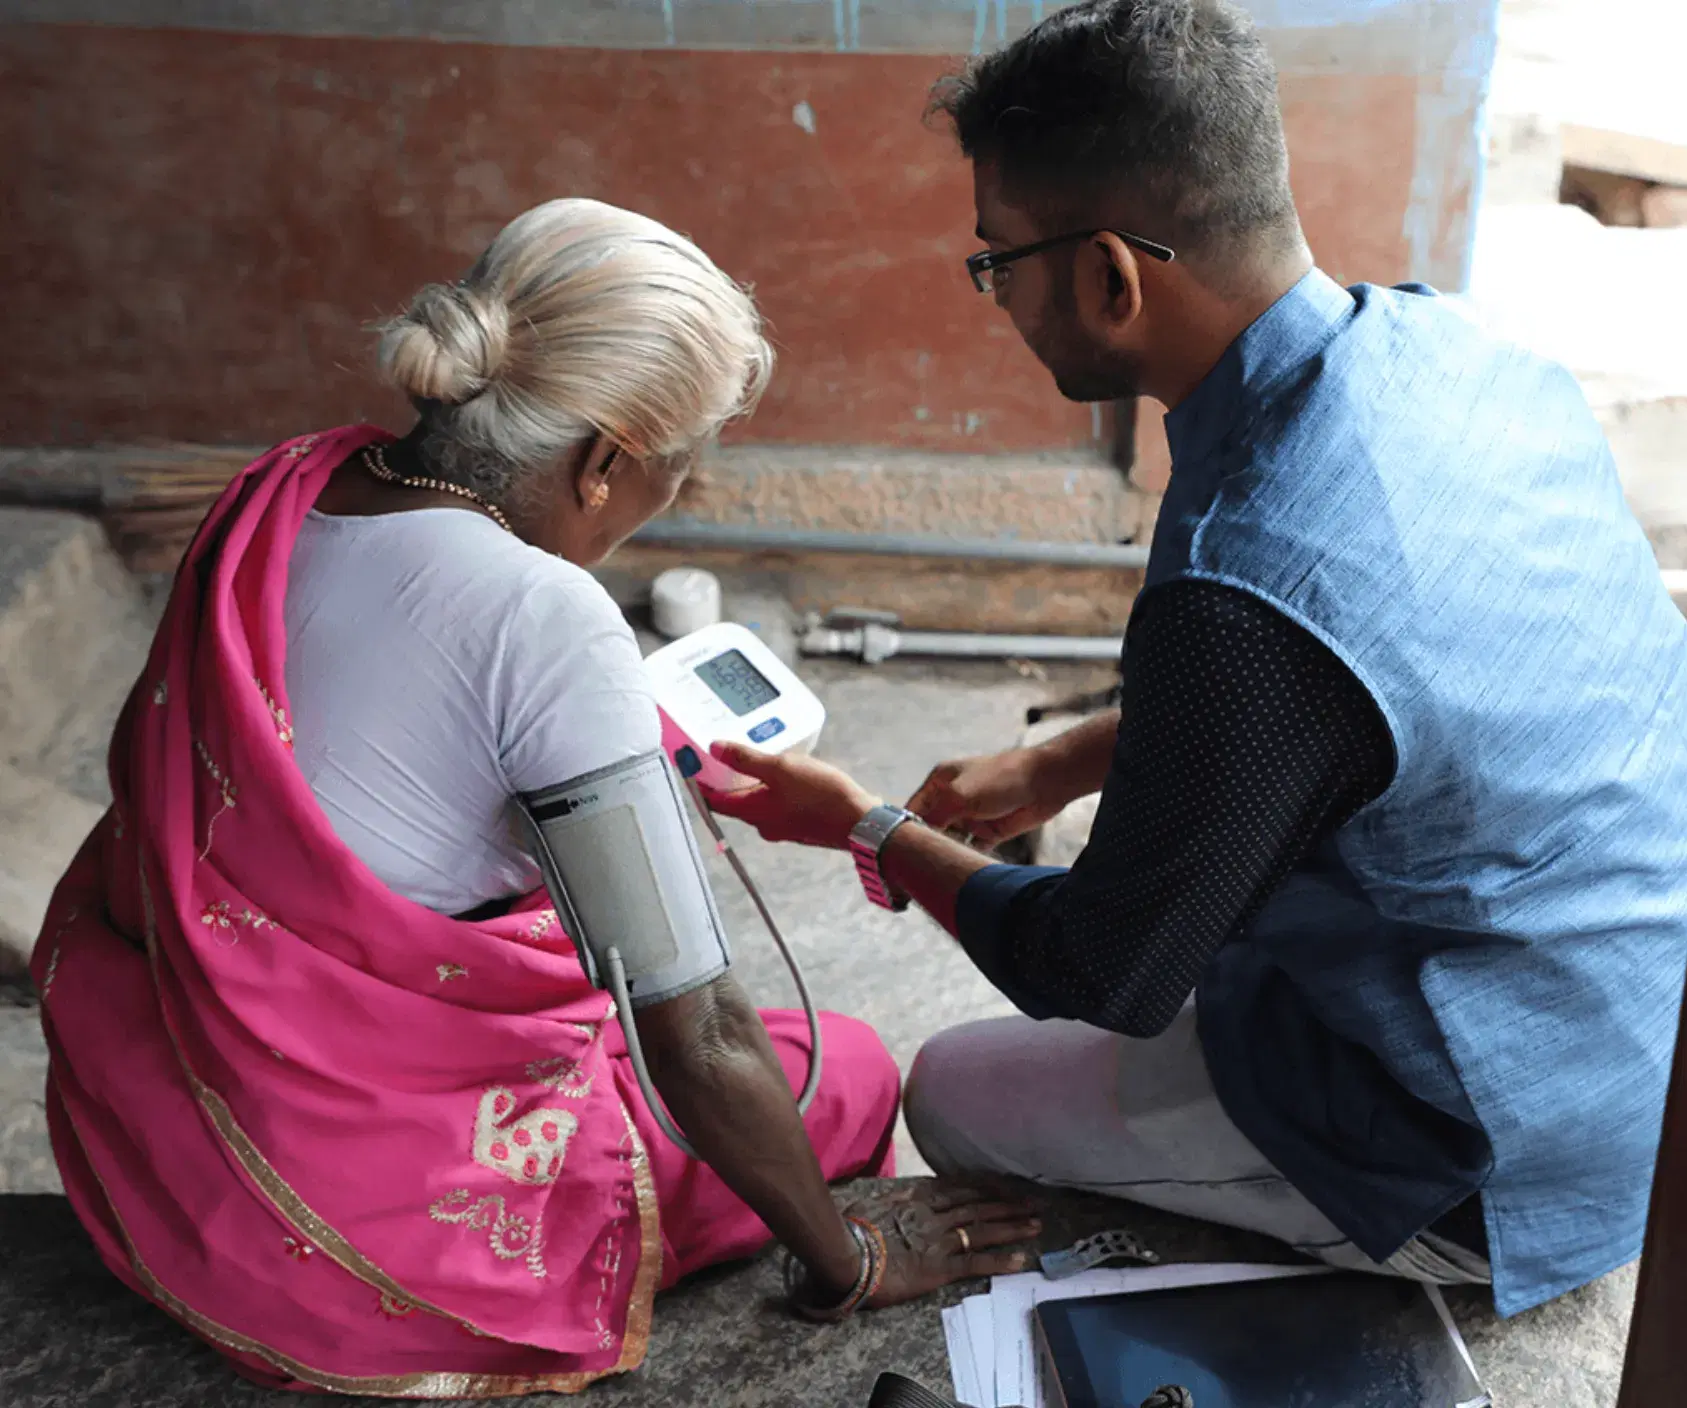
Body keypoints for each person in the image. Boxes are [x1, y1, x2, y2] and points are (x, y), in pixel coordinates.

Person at [704, 0, 1687, 1319]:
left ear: (1113, 280)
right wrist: (1067, 757)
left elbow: (1112, 972)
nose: (999, 299)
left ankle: (1333, 1261)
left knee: (952, 1090)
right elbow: (1361, 698)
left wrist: (877, 829)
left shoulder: (1246, 580)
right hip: (1668, 1034)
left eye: (998, 265)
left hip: (1501, 1156)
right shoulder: (1457, 350)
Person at [29, 198, 1034, 1395]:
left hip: (165, 1133)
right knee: (850, 1071)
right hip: (361, 1204)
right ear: (604, 459)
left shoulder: (285, 491)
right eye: (681, 466)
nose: (682, 491)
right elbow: (697, 1035)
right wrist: (848, 1258)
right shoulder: (546, 616)